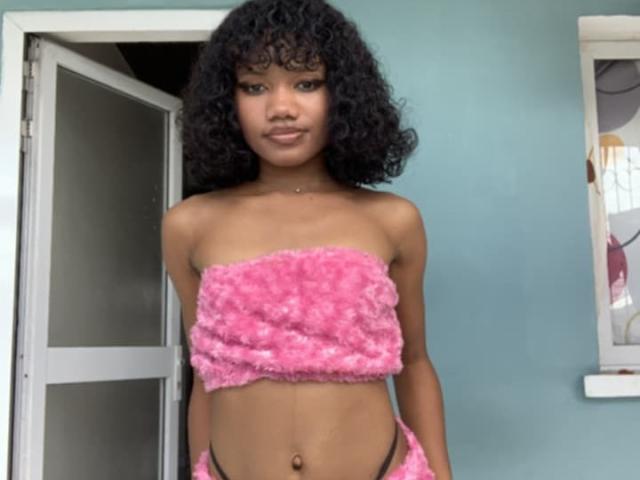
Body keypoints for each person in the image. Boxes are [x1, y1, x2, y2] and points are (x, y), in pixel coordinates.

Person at [161, 0, 453, 478]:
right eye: (254, 86)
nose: (281, 108)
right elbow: (208, 371)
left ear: (343, 93)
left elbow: (415, 363)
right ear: (227, 102)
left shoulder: (392, 220)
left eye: (306, 83)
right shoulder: (189, 225)